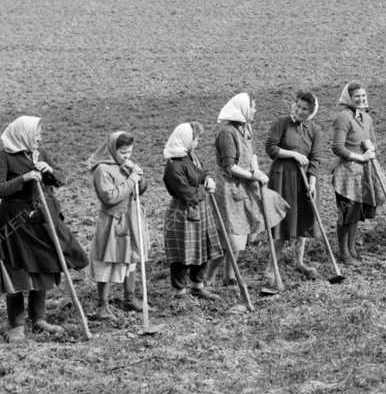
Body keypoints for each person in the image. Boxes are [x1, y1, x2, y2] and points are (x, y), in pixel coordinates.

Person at [0, 115, 88, 343]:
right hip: (16, 225)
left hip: (43, 221)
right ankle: (16, 324)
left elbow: (61, 180)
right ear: (23, 135)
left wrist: (48, 170)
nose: (40, 139)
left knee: (43, 268)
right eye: (37, 134)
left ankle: (38, 318)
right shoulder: (3, 158)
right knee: (18, 273)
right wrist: (23, 178)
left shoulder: (40, 154)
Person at [213, 92, 288, 291]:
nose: (255, 111)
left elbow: (252, 153)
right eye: (253, 107)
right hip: (230, 187)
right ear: (243, 109)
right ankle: (210, 278)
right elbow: (230, 167)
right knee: (233, 236)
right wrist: (253, 176)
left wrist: (256, 170)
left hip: (245, 182)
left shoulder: (246, 128)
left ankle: (229, 276)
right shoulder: (227, 133)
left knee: (242, 232)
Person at [86, 130, 150, 321]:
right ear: (113, 150)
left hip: (131, 217)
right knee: (108, 260)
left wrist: (138, 175)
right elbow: (110, 197)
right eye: (123, 153)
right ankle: (102, 306)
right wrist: (132, 179)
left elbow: (140, 189)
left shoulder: (127, 165)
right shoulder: (102, 169)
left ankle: (129, 297)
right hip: (113, 221)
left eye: (130, 152)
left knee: (131, 258)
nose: (127, 156)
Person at [162, 121, 224, 300]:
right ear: (185, 139)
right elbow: (186, 193)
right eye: (195, 139)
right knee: (182, 254)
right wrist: (205, 190)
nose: (197, 142)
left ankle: (198, 286)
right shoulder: (173, 165)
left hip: (200, 209)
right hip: (183, 213)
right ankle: (180, 292)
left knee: (202, 248)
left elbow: (203, 172)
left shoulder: (191, 156)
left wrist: (209, 178)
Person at [265, 90, 322, 279]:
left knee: (303, 218)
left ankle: (299, 261)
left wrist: (312, 182)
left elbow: (315, 158)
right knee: (282, 220)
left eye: (305, 109)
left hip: (304, 181)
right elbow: (271, 148)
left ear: (311, 112)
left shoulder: (314, 130)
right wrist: (294, 154)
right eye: (298, 106)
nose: (299, 110)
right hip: (283, 178)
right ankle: (271, 267)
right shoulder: (281, 124)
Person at [330, 82, 381, 264]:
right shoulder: (343, 117)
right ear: (348, 98)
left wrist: (372, 149)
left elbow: (372, 141)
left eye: (363, 96)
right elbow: (337, 147)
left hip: (363, 172)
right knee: (347, 212)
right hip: (347, 172)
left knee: (357, 212)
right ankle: (343, 252)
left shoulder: (366, 117)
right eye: (357, 96)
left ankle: (352, 249)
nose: (361, 99)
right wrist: (359, 157)